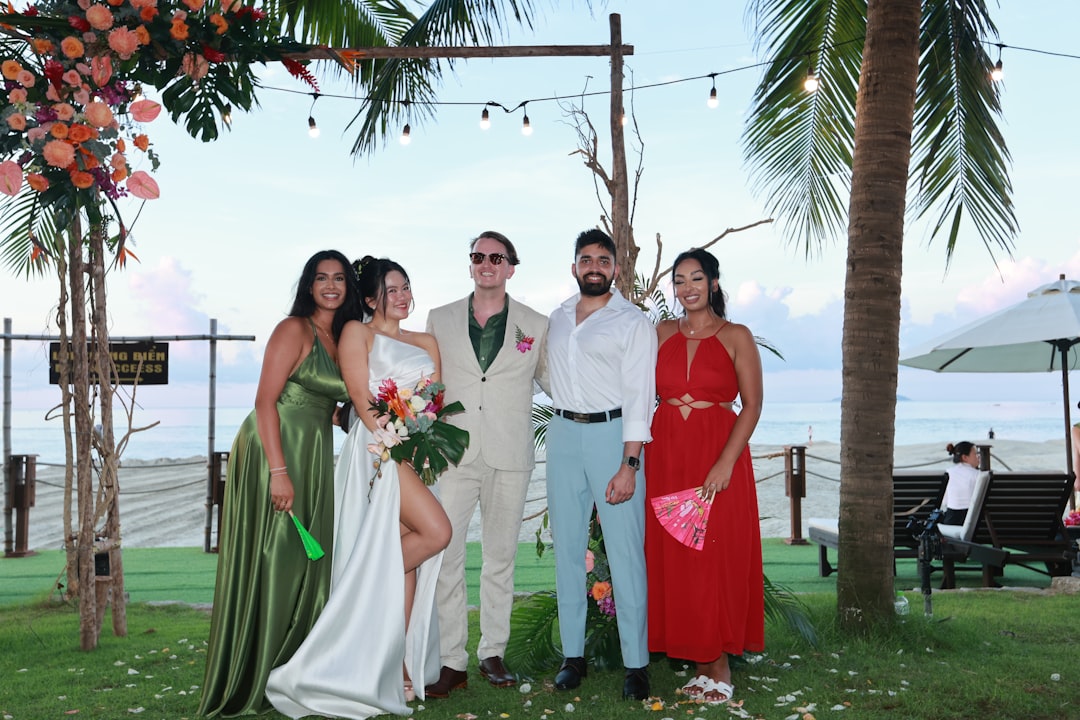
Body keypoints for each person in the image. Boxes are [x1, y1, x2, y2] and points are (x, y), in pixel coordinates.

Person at [266, 257, 453, 719]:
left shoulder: (427, 340)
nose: (403, 296)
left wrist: (422, 436)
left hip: (413, 451)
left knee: (404, 549)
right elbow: (359, 396)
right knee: (437, 533)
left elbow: (435, 400)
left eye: (407, 287)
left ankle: (394, 666)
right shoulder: (358, 334)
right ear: (370, 299)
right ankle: (358, 608)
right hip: (376, 451)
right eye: (392, 289)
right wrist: (391, 443)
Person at [199, 250, 360, 717]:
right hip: (275, 449)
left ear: (349, 286)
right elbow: (265, 400)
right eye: (321, 278)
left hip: (310, 452)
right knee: (276, 558)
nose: (330, 286)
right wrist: (278, 471)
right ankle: (255, 675)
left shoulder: (340, 336)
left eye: (339, 279)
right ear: (308, 285)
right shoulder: (294, 329)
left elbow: (327, 406)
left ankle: (294, 671)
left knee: (307, 563)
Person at [424, 231, 549, 697]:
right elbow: (421, 380)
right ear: (470, 264)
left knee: (500, 558)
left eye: (496, 257)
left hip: (510, 454)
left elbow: (561, 381)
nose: (486, 264)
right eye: (478, 256)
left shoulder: (536, 324)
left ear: (511, 267)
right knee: (446, 555)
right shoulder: (439, 319)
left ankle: (492, 651)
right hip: (453, 454)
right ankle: (452, 661)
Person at [644, 248, 764, 706]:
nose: (687, 287)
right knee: (678, 557)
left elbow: (751, 405)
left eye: (696, 278)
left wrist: (725, 463)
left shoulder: (736, 335)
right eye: (679, 280)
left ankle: (719, 665)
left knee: (715, 557)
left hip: (718, 456)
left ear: (713, 283)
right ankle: (697, 661)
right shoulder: (659, 334)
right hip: (667, 454)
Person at [545, 228, 657, 701]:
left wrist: (629, 463)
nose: (594, 266)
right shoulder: (556, 318)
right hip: (564, 434)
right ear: (574, 266)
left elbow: (640, 398)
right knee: (568, 550)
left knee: (626, 551)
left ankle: (637, 664)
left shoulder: (633, 322)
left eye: (603, 260)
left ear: (615, 267)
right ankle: (573, 657)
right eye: (585, 258)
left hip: (614, 437)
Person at [941, 441, 980, 525]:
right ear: (965, 457)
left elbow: (944, 502)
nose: (978, 456)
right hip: (970, 521)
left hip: (950, 520)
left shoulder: (948, 472)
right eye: (975, 454)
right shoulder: (977, 475)